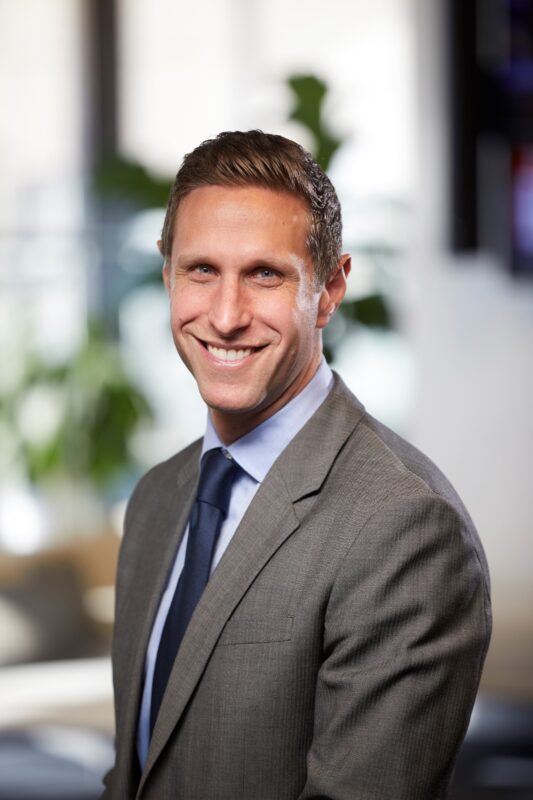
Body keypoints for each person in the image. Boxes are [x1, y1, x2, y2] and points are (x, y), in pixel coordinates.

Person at [102, 130, 491, 799]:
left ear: (330, 287)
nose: (226, 316)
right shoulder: (157, 497)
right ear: (167, 273)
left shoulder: (405, 526)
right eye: (201, 270)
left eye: (265, 274)